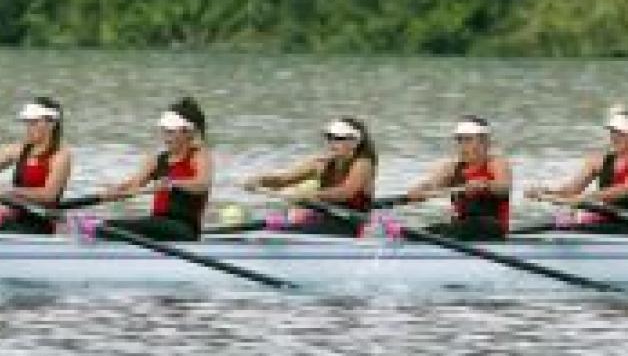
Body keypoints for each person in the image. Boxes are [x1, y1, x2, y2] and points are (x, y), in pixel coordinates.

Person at [99, 97, 212, 241]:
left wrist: (173, 183)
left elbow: (202, 184)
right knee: (110, 226)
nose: (165, 137)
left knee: (109, 227)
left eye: (171, 132)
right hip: (157, 225)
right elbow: (135, 184)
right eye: (164, 131)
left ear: (188, 132)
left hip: (183, 229)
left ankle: (99, 231)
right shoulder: (157, 160)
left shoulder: (199, 155)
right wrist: (116, 191)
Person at [244, 118, 376, 236]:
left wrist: (311, 195)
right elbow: (282, 180)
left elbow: (345, 192)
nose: (332, 142)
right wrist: (259, 180)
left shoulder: (363, 164)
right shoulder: (320, 163)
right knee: (278, 226)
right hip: (323, 218)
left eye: (338, 138)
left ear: (354, 142)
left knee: (284, 232)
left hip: (350, 224)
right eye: (329, 137)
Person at [406, 115, 511, 240]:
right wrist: (419, 190)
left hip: (492, 228)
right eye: (459, 140)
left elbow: (504, 187)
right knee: (420, 233)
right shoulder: (452, 167)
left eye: (468, 140)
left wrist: (486, 184)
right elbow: (432, 184)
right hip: (460, 228)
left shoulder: (496, 163)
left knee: (474, 225)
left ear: (485, 143)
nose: (462, 146)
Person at [526, 109, 628, 222]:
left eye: (621, 133)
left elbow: (626, 189)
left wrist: (588, 198)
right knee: (563, 219)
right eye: (613, 132)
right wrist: (546, 192)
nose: (614, 137)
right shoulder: (597, 161)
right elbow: (571, 191)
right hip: (609, 215)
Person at [0, 97, 71, 234]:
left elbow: (48, 195)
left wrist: (10, 191)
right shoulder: (20, 150)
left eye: (34, 122)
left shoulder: (61, 156)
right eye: (27, 122)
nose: (28, 127)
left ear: (51, 124)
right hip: (14, 218)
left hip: (38, 224)